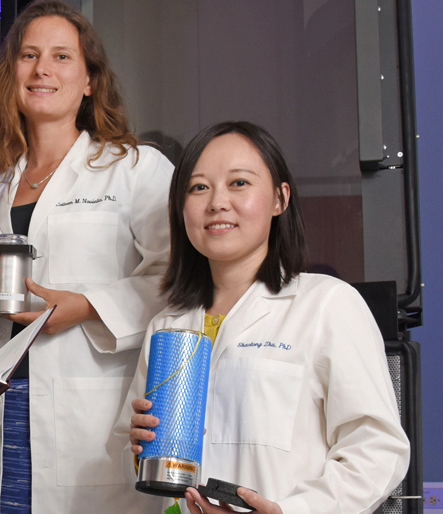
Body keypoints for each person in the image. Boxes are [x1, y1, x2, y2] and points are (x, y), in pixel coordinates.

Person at [0, 1, 172, 512]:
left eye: (61, 57)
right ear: (12, 75)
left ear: (90, 80)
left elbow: (177, 284)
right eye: (28, 55)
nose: (42, 69)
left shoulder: (135, 170)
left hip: (88, 419)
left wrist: (85, 307)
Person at [124, 121, 410, 514]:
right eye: (198, 187)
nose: (217, 202)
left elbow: (377, 447)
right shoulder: (168, 326)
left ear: (280, 198)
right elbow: (133, 463)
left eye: (239, 183)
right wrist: (138, 447)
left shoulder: (327, 304)